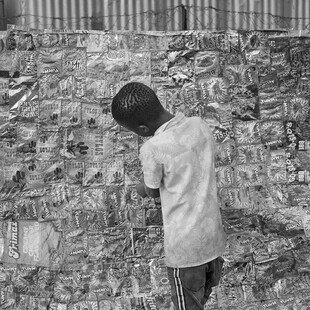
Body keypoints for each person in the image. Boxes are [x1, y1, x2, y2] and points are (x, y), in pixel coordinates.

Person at [112, 82, 226, 310]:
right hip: (214, 241)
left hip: (186, 252)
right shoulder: (199, 125)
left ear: (143, 130)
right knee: (201, 298)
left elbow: (152, 189)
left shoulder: (153, 147)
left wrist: (139, 188)